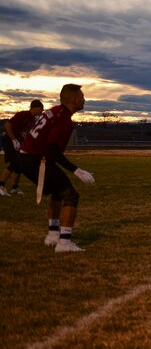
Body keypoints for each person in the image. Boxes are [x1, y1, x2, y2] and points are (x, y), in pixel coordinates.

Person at [18, 84, 95, 252]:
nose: (84, 100)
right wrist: (77, 170)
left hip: (27, 157)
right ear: (75, 100)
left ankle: (53, 235)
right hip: (36, 158)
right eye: (82, 97)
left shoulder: (55, 111)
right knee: (71, 195)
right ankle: (64, 242)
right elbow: (52, 149)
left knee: (57, 191)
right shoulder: (64, 120)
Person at [1, 100, 44, 196]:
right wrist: (14, 140)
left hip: (17, 140)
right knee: (15, 162)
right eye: (41, 108)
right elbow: (7, 125)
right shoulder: (23, 114)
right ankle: (1, 185)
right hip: (9, 138)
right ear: (35, 108)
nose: (42, 110)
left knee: (20, 163)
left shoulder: (33, 119)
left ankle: (14, 187)